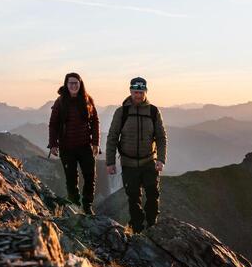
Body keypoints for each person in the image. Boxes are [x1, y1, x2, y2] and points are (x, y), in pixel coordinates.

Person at [105, 76, 167, 232]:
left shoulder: (153, 111)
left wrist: (161, 159)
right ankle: (137, 230)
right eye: (135, 92)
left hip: (149, 162)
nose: (138, 95)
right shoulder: (122, 112)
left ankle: (152, 227)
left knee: (153, 195)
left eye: (141, 92)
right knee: (134, 199)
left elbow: (161, 137)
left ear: (145, 92)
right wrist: (110, 162)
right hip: (128, 164)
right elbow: (112, 136)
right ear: (130, 91)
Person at [48, 72, 100, 214]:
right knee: (71, 178)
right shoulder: (60, 102)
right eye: (70, 83)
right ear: (66, 84)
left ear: (80, 84)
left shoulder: (87, 100)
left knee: (90, 176)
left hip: (85, 146)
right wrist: (53, 144)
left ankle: (87, 205)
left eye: (76, 83)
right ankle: (75, 205)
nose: (73, 85)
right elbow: (53, 124)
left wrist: (95, 143)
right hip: (67, 147)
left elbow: (95, 121)